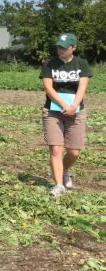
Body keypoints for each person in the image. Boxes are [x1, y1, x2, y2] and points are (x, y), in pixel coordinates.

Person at [40, 33, 92, 197]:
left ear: (74, 48)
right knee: (56, 149)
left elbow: (82, 88)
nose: (60, 49)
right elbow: (48, 88)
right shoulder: (49, 64)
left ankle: (65, 170)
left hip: (76, 110)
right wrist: (63, 105)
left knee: (74, 151)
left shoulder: (81, 64)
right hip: (53, 111)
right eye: (59, 47)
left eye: (64, 47)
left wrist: (73, 106)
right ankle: (58, 185)